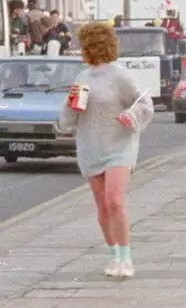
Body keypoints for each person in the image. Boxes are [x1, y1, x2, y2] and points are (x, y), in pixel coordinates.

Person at [55, 22, 153, 280]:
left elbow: (144, 102)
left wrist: (131, 116)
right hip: (90, 146)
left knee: (114, 200)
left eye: (87, 44)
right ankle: (114, 256)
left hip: (120, 145)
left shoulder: (120, 75)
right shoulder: (82, 78)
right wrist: (72, 106)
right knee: (102, 206)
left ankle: (126, 257)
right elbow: (66, 119)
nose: (85, 49)